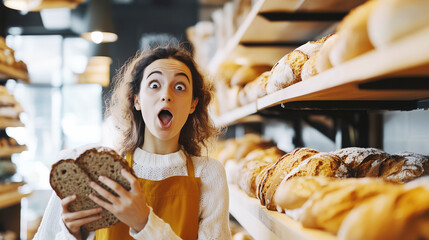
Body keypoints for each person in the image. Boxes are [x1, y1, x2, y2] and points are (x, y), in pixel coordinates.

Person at [34, 45, 231, 239]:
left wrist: (144, 222)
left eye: (179, 87)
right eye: (154, 85)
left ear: (192, 104)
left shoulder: (208, 173)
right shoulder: (101, 173)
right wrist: (72, 234)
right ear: (137, 99)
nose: (166, 95)